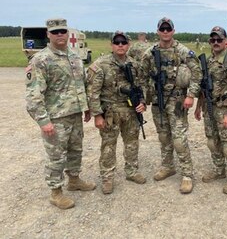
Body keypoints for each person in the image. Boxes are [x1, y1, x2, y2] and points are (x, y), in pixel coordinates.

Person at [25, 18, 96, 210]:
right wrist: (43, 121)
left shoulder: (74, 56)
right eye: (55, 32)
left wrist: (86, 107)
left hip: (74, 114)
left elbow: (80, 84)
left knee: (75, 150)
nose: (59, 35)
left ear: (67, 33)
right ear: (48, 34)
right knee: (56, 155)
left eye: (62, 31)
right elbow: (33, 95)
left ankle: (74, 180)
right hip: (55, 118)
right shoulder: (41, 59)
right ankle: (55, 192)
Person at [140, 17, 202, 194]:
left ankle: (187, 174)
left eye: (168, 29)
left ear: (173, 31)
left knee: (179, 139)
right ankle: (168, 166)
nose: (165, 32)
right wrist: (143, 99)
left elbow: (197, 73)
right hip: (158, 101)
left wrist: (191, 95)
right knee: (163, 136)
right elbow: (142, 77)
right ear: (158, 31)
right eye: (162, 29)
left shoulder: (183, 51)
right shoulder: (150, 53)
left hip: (177, 101)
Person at [87, 31, 147, 194]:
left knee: (132, 143)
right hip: (110, 113)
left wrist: (142, 102)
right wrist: (97, 115)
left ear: (128, 45)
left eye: (123, 42)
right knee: (108, 146)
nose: (120, 45)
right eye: (117, 42)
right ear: (111, 45)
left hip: (131, 111)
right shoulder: (101, 64)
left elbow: (142, 86)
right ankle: (107, 177)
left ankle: (132, 171)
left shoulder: (135, 64)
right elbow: (93, 92)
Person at [194, 26, 227, 194]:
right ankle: (219, 169)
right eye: (213, 40)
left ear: (225, 41)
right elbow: (204, 87)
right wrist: (199, 107)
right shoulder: (208, 60)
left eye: (219, 40)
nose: (215, 43)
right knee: (212, 142)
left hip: (225, 109)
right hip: (210, 107)